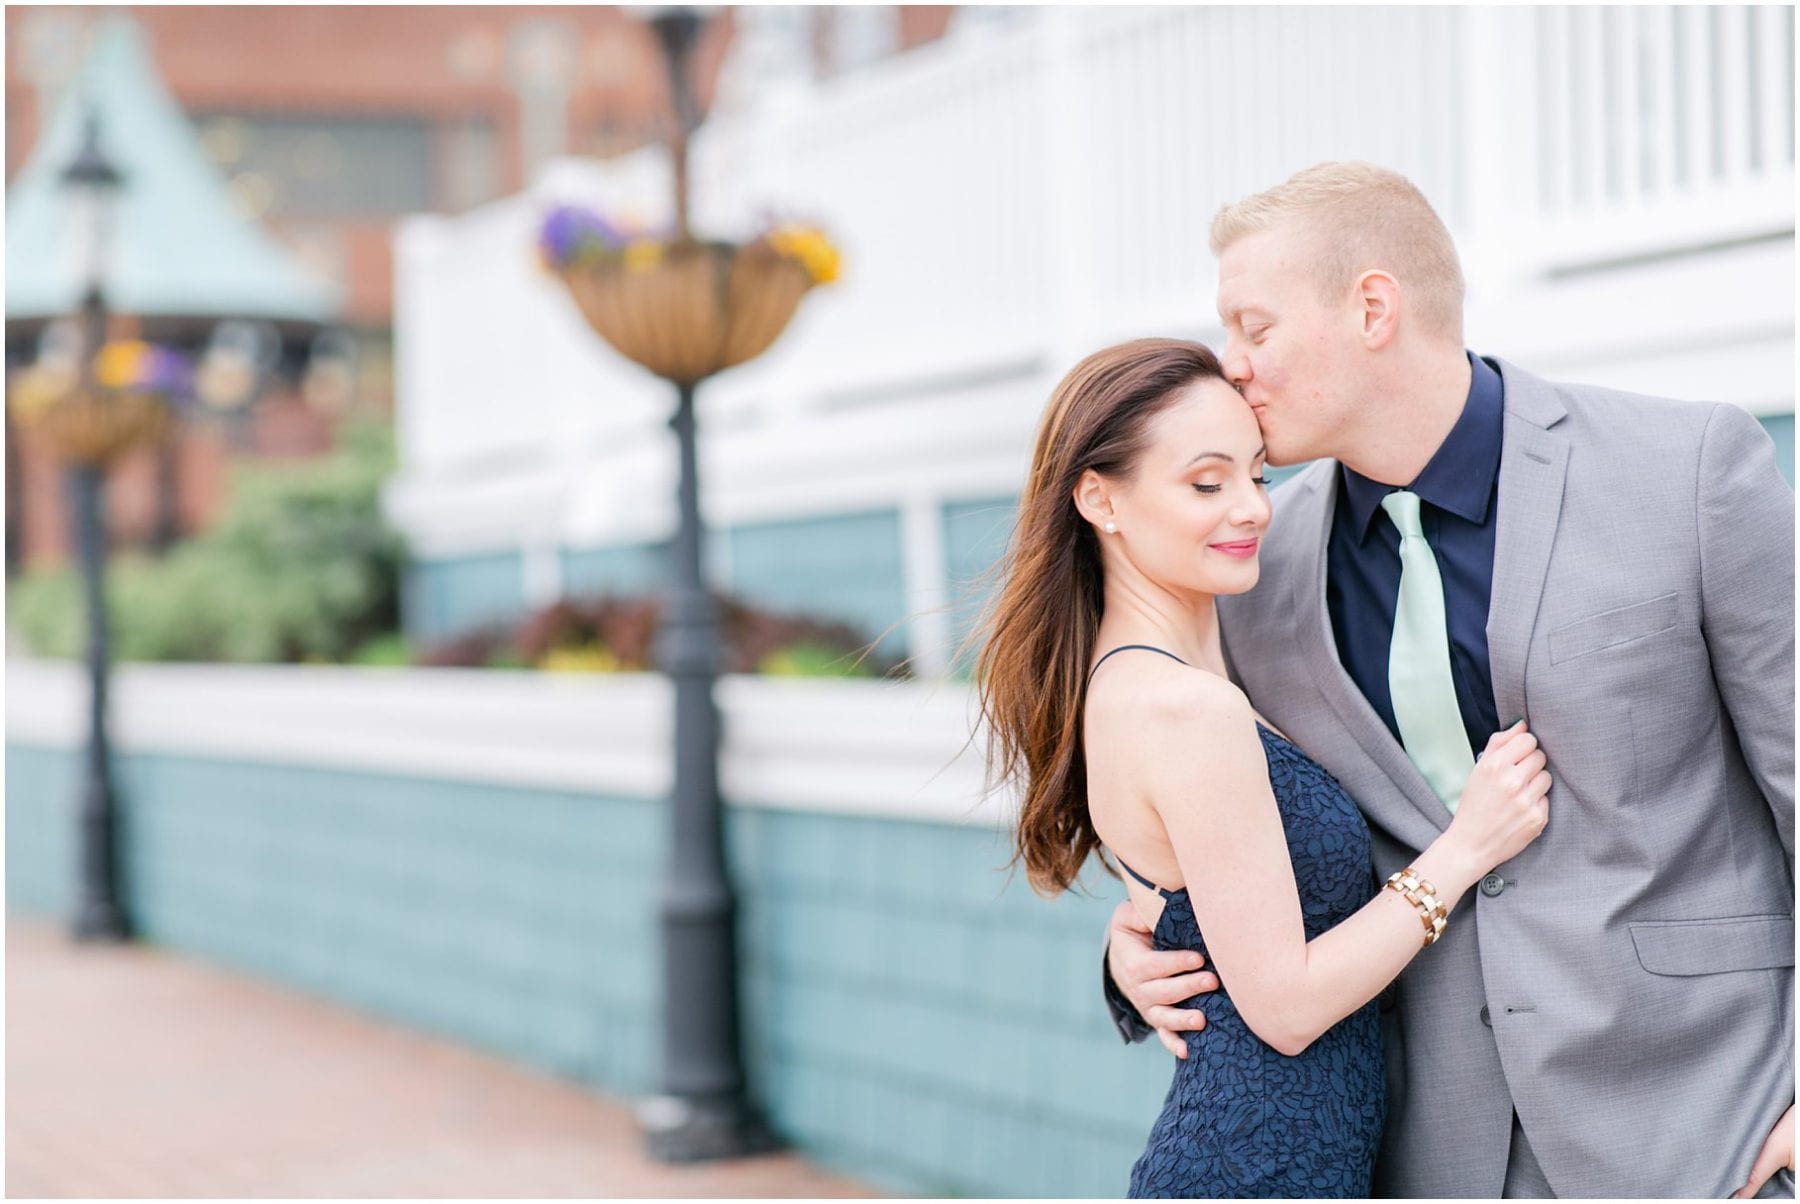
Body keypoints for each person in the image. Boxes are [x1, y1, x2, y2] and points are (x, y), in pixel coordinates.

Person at [1103, 162, 1796, 1199]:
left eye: (1255, 327)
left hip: (1709, 1124)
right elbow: (1208, 811)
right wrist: (1131, 957)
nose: (1231, 366)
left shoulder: (1686, 469)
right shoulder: (1255, 566)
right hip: (1433, 1149)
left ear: (1372, 306)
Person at [976, 337, 1553, 1196]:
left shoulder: (1164, 677)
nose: (1250, 508)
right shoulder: (1185, 707)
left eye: (1258, 476)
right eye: (1207, 483)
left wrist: (1137, 940)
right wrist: (1467, 848)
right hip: (1253, 1167)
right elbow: (1285, 1008)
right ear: (1100, 499)